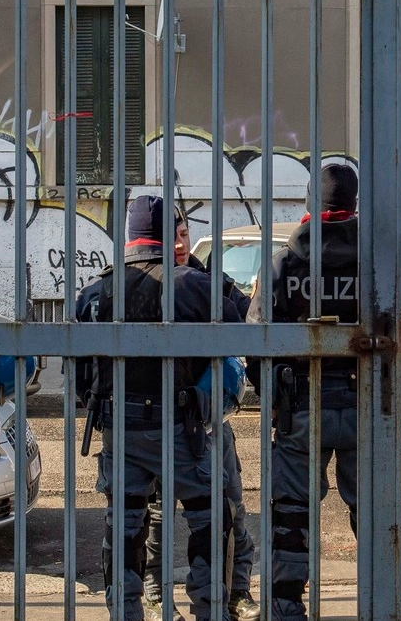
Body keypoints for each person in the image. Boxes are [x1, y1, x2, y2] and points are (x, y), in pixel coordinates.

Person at [75, 195, 240, 621]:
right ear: (170, 234)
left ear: (129, 236)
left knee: (125, 524)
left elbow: (80, 373)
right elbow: (245, 337)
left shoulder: (96, 292)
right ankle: (211, 610)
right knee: (209, 518)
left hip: (119, 429)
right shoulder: (193, 285)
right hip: (180, 427)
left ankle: (125, 612)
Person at [246, 164, 366, 621]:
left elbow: (257, 341)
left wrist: (274, 397)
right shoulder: (373, 260)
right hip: (364, 401)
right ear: (354, 203)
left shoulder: (284, 262)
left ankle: (286, 606)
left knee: (292, 513)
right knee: (373, 509)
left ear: (311, 201)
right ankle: (381, 599)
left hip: (300, 404)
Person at [140, 215, 260, 621]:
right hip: (159, 419)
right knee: (157, 517)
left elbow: (247, 317)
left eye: (184, 234)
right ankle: (157, 597)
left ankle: (236, 592)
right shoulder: (144, 281)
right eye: (170, 236)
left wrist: (259, 299)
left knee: (230, 507)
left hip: (210, 421)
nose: (179, 243)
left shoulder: (207, 277)